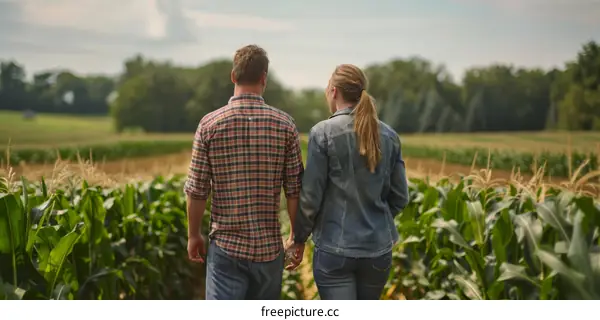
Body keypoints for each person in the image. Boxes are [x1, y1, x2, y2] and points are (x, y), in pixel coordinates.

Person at [184, 44, 304, 300]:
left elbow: (197, 189)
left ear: (233, 76)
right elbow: (295, 189)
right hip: (269, 251)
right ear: (264, 78)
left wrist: (193, 235)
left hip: (226, 248)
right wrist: (295, 236)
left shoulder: (209, 124)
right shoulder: (285, 125)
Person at [286, 64, 409, 300]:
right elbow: (400, 197)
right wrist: (374, 220)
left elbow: (311, 197)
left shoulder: (322, 133)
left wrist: (298, 239)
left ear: (333, 91)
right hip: (378, 251)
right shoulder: (390, 136)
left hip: (334, 250)